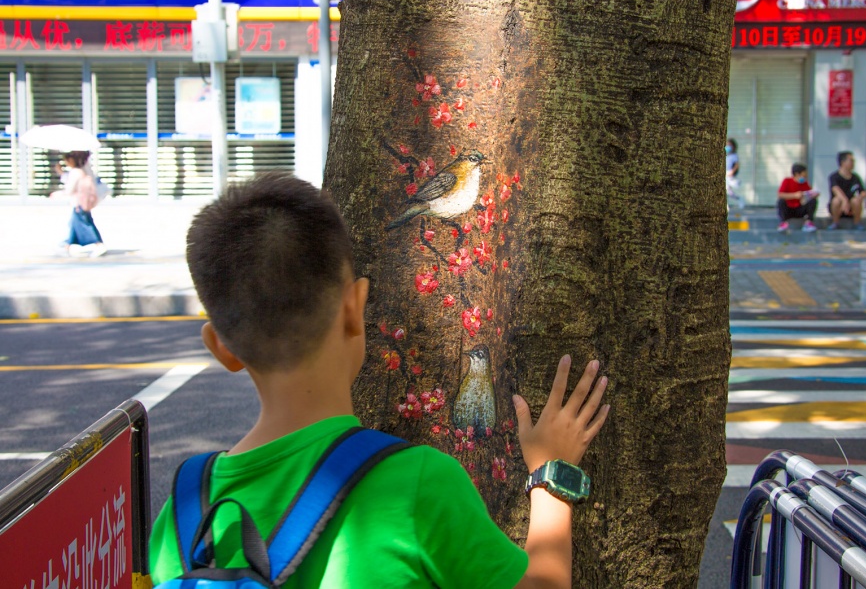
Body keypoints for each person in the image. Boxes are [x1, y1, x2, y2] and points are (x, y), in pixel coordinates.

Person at [148, 173, 611, 588]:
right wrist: (552, 476)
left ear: (220, 348)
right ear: (355, 308)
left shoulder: (183, 516)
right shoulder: (417, 484)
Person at [60, 150, 106, 257]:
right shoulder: (83, 170)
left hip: (78, 203)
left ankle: (98, 244)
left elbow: (69, 190)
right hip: (83, 203)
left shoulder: (75, 172)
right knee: (76, 224)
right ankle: (68, 244)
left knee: (84, 224)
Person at [827, 151, 866, 231]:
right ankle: (835, 223)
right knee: (836, 200)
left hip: (851, 209)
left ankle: (857, 223)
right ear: (843, 162)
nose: (853, 163)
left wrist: (860, 198)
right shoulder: (834, 176)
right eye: (851, 160)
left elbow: (863, 192)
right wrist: (844, 201)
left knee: (855, 200)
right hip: (838, 207)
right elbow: (835, 189)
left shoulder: (855, 177)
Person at [776, 163, 819, 233]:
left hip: (800, 208)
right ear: (797, 174)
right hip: (789, 209)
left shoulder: (804, 183)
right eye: (804, 174)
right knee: (781, 201)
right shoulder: (787, 181)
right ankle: (783, 223)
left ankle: (808, 223)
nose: (805, 176)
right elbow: (780, 194)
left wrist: (813, 194)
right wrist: (794, 195)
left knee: (813, 201)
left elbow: (809, 193)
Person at [725, 138, 745, 210]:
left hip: (729, 174)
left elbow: (737, 165)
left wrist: (732, 172)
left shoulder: (734, 156)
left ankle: (739, 198)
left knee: (728, 190)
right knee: (727, 191)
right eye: (727, 145)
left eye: (730, 145)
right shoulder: (727, 155)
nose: (728, 147)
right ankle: (727, 205)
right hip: (725, 174)